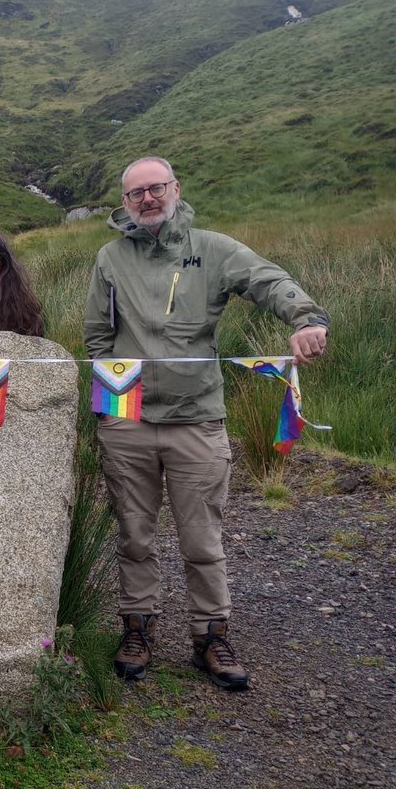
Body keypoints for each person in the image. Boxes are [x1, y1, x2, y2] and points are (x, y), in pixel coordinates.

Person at [84, 156, 329, 690]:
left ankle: (211, 635)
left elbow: (267, 279)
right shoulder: (109, 257)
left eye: (156, 189)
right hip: (126, 422)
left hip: (197, 420)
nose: (147, 200)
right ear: (124, 203)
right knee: (133, 535)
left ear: (175, 189)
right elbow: (98, 339)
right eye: (136, 194)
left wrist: (306, 320)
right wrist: (108, 410)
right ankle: (137, 627)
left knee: (203, 538)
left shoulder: (213, 249)